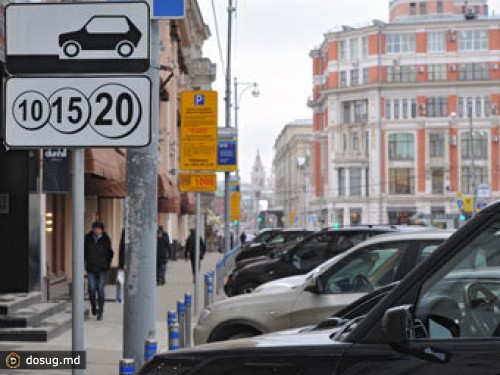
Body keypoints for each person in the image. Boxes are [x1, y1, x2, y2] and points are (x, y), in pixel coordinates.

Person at [84, 221, 113, 321]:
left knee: (100, 289)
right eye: (95, 228)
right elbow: (84, 252)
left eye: (99, 229)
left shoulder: (106, 239)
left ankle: (100, 311)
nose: (97, 231)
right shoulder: (87, 238)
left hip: (102, 268)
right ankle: (93, 306)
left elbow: (110, 253)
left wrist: (107, 264)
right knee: (91, 289)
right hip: (91, 268)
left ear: (102, 230)